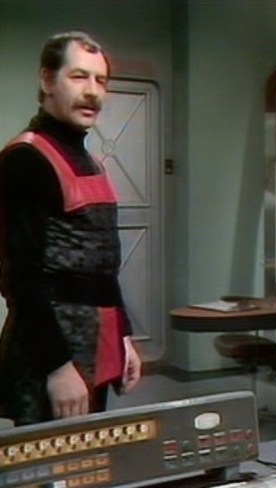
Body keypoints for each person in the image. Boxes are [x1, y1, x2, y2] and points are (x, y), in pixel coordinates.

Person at [0, 31, 142, 425]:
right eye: (79, 77)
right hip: (49, 352)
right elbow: (20, 278)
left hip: (97, 343)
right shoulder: (26, 158)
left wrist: (124, 336)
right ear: (47, 80)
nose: (93, 92)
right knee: (50, 461)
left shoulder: (91, 161)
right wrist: (59, 367)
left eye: (101, 81)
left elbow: (103, 270)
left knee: (91, 456)